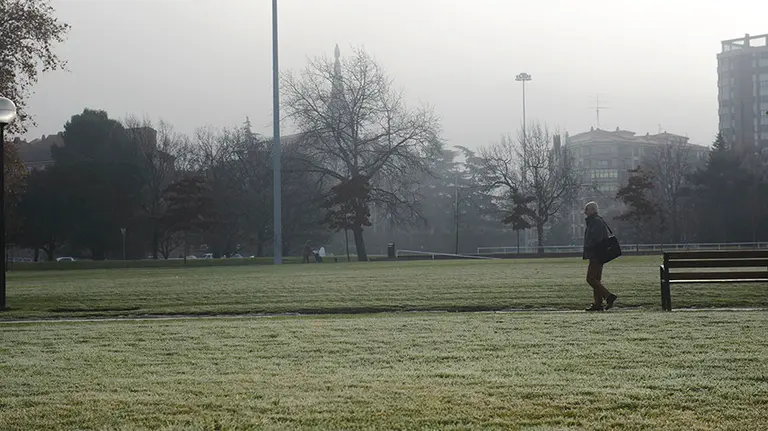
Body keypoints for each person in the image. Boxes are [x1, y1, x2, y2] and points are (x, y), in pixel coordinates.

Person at [582, 201, 618, 312]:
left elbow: (596, 239)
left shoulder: (595, 222)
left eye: (586, 209)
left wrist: (588, 247)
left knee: (590, 278)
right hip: (598, 254)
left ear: (593, 209)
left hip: (596, 254)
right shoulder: (596, 221)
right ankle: (598, 303)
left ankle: (608, 296)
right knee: (596, 280)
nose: (585, 212)